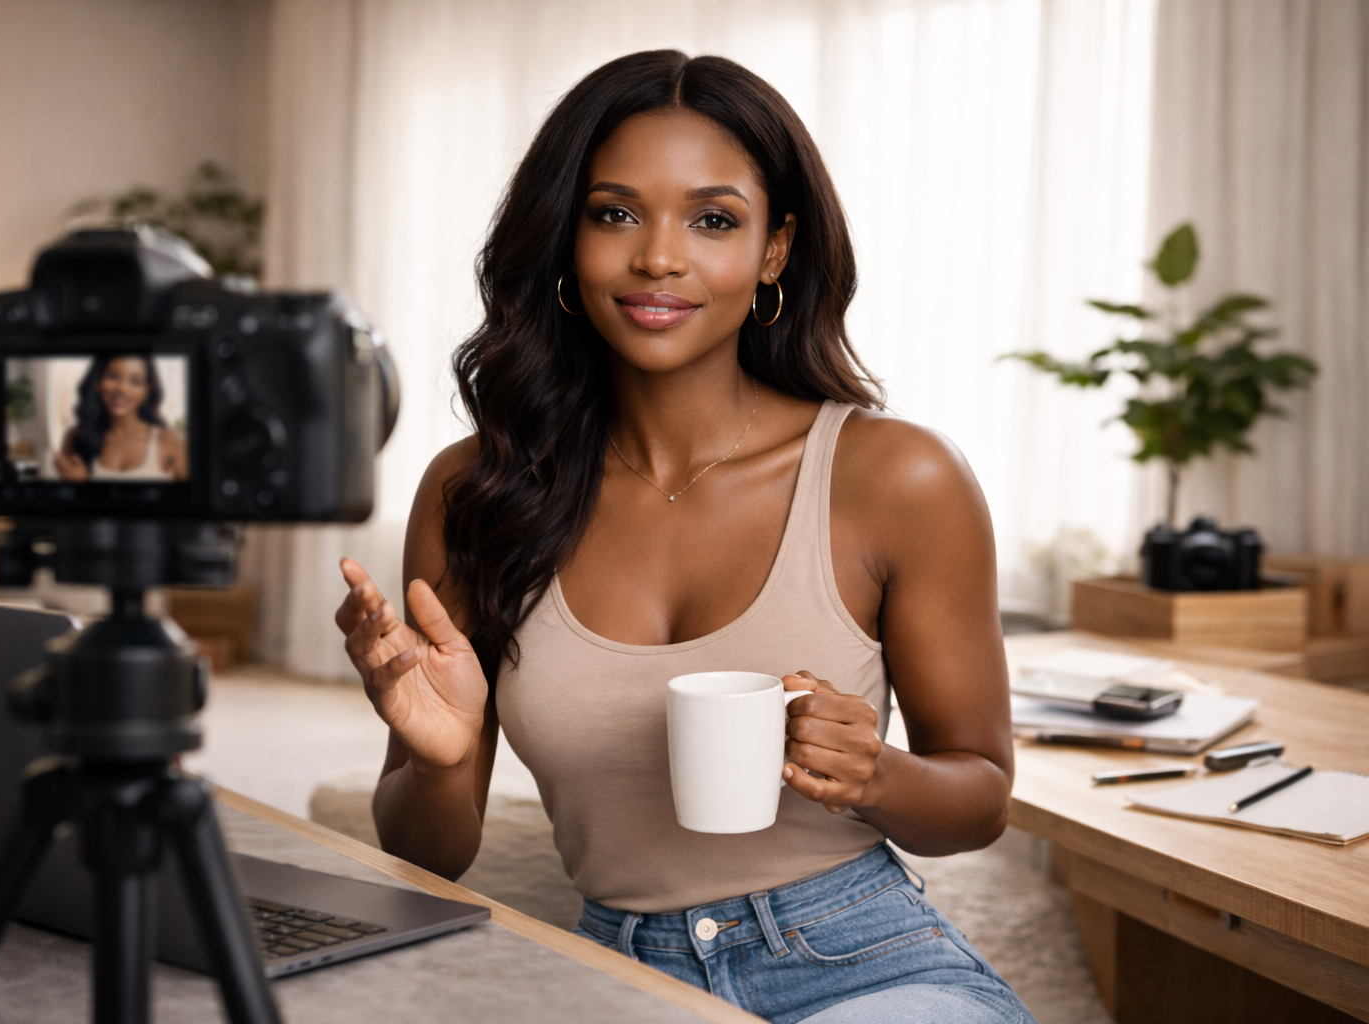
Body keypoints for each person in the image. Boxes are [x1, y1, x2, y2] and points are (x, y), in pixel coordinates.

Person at [334, 51, 1031, 1024]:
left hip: (865, 964)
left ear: (776, 248)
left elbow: (980, 794)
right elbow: (426, 851)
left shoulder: (899, 477)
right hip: (618, 972)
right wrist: (443, 757)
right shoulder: (477, 490)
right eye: (615, 213)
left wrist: (877, 773)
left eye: (713, 219)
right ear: (566, 237)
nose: (659, 258)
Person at [52, 354, 187, 482]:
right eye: (113, 376)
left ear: (146, 391)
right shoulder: (75, 437)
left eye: (135, 382)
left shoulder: (175, 443)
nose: (122, 389)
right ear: (98, 382)